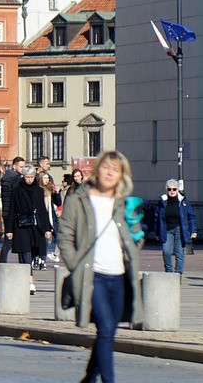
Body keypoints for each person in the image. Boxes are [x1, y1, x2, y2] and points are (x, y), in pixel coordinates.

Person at [58, 151, 144, 383]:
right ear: (97, 170)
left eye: (115, 170)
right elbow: (65, 234)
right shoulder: (79, 200)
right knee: (105, 328)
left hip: (119, 277)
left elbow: (136, 239)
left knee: (108, 333)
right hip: (92, 275)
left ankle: (89, 378)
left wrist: (137, 231)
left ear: (121, 176)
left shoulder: (123, 204)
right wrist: (75, 263)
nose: (109, 173)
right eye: (106, 167)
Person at [7, 165, 52, 293]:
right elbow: (12, 210)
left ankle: (25, 278)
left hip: (35, 226)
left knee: (32, 253)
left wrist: (47, 228)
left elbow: (43, 210)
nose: (29, 179)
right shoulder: (17, 189)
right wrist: (9, 230)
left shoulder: (38, 190)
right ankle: (30, 282)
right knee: (24, 252)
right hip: (21, 226)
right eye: (27, 177)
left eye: (32, 177)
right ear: (23, 176)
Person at [153, 179, 197, 274]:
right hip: (166, 230)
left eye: (174, 189)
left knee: (179, 253)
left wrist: (193, 230)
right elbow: (157, 218)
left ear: (177, 190)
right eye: (169, 189)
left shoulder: (183, 201)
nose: (172, 191)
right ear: (167, 190)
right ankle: (169, 273)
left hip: (180, 230)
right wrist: (157, 233)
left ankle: (178, 274)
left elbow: (191, 216)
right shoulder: (162, 201)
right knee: (166, 251)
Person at [0, 156, 27, 263]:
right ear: (14, 166)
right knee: (15, 240)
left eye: (24, 167)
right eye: (21, 167)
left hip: (7, 212)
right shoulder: (16, 179)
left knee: (9, 240)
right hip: (13, 213)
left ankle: (3, 261)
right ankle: (22, 263)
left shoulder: (6, 177)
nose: (23, 169)